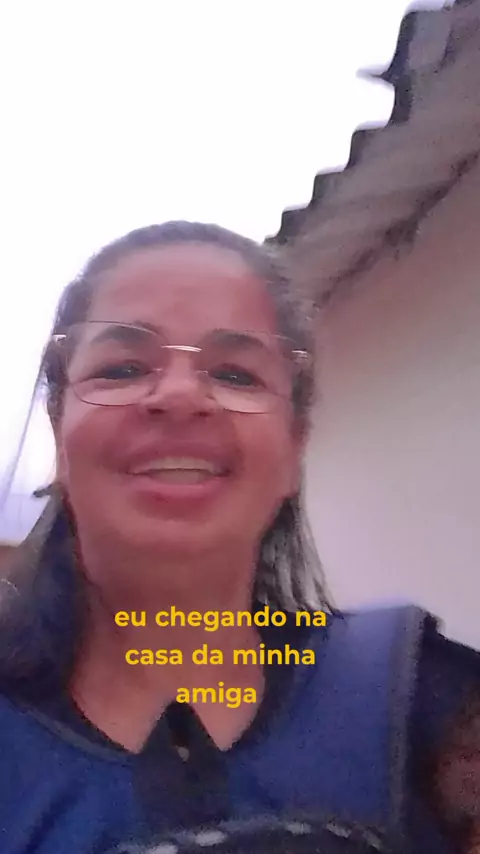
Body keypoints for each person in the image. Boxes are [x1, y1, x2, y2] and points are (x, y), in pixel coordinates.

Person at [0, 221, 478, 854]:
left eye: (236, 375)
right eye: (123, 367)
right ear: (60, 437)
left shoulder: (433, 709)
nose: (179, 396)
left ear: (294, 448)